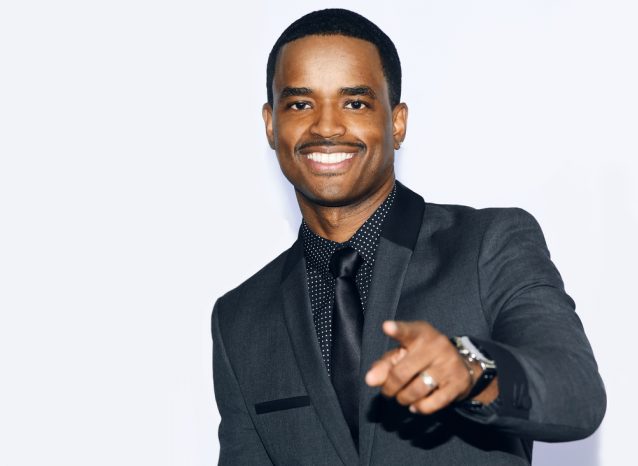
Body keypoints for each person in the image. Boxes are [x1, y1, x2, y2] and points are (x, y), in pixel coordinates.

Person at [212, 8, 606, 465]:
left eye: (354, 102)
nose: (325, 126)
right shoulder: (239, 318)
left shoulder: (488, 245)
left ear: (396, 123)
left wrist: (470, 368)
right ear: (270, 124)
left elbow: (576, 393)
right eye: (300, 104)